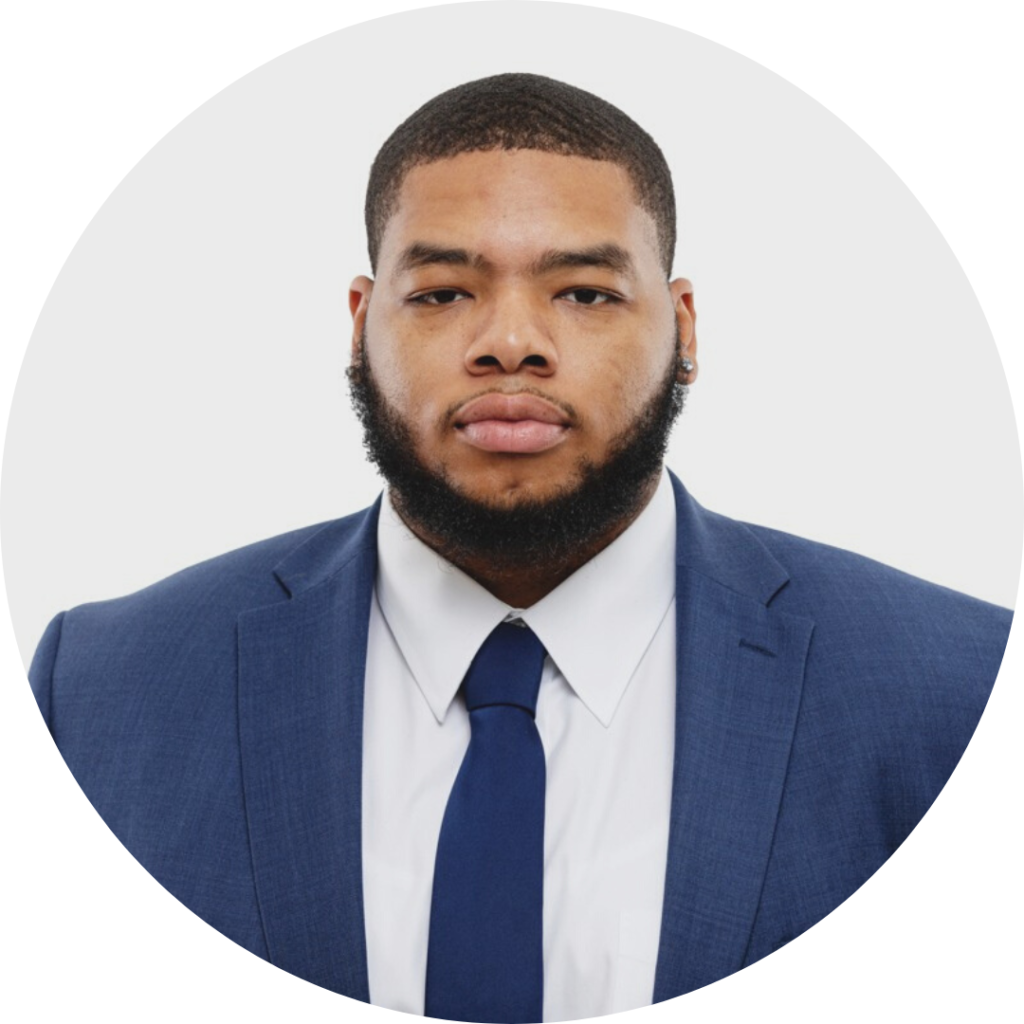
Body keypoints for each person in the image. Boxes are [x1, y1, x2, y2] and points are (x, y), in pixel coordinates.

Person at [28, 73, 1011, 1023]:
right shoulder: (104, 692)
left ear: (682, 327)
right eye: (444, 292)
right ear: (361, 326)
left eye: (582, 292)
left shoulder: (961, 690)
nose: (509, 342)